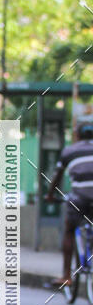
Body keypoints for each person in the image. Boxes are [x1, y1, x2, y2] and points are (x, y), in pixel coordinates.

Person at [46, 121, 93, 286]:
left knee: (69, 229)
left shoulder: (70, 151)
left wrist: (50, 195)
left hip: (79, 198)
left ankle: (66, 276)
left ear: (77, 135)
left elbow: (57, 176)